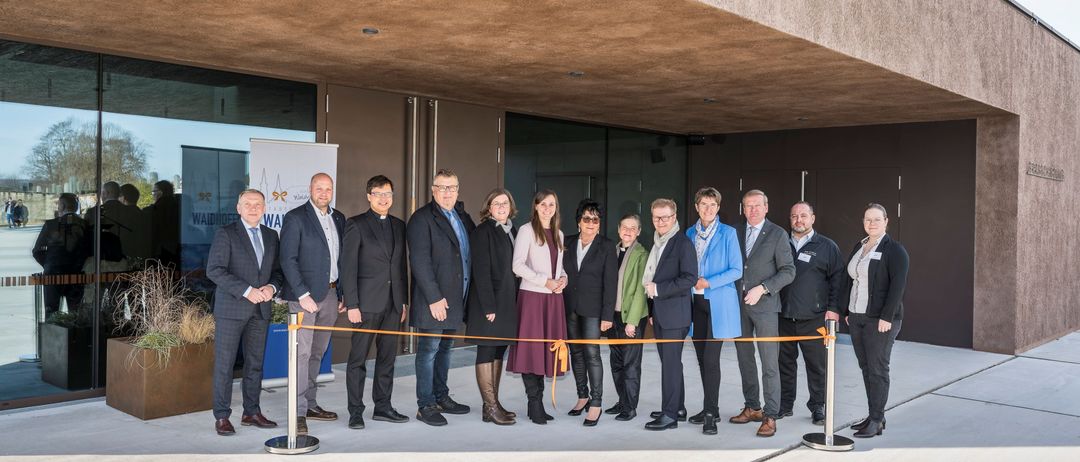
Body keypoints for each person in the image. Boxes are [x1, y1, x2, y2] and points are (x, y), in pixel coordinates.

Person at [205, 189, 283, 436]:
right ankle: (221, 416)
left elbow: (278, 272)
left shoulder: (272, 236)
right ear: (238, 208)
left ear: (264, 208)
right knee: (225, 365)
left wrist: (272, 287)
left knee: (255, 365)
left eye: (258, 204)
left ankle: (251, 412)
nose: (253, 207)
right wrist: (247, 290)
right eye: (247, 203)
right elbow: (214, 270)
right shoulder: (226, 234)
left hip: (260, 310)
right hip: (231, 309)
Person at [830, 203, 909, 438]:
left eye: (876, 219)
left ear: (886, 221)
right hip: (857, 317)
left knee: (877, 369)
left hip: (880, 320)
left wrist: (886, 316)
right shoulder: (860, 245)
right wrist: (846, 310)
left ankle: (876, 420)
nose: (871, 224)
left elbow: (898, 286)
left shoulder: (895, 250)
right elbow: (850, 279)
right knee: (866, 368)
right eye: (867, 219)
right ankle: (875, 414)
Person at [407, 169, 476, 426]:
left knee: (446, 349)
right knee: (428, 351)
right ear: (433, 190)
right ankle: (425, 405)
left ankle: (441, 396)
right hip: (434, 301)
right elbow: (420, 261)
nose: (448, 192)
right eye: (442, 187)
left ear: (458, 190)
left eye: (452, 187)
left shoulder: (460, 216)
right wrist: (434, 298)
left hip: (457, 298)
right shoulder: (421, 219)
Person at [279, 172, 346, 435]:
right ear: (310, 189)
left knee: (318, 352)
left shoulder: (338, 218)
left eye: (328, 188)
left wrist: (342, 294)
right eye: (319, 188)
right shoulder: (295, 218)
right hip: (303, 298)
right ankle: (297, 413)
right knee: (301, 354)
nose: (323, 193)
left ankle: (310, 404)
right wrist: (302, 294)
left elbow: (341, 260)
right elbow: (287, 260)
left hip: (330, 296)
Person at [341, 175, 410, 430]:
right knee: (358, 360)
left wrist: (403, 302)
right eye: (379, 193)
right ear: (369, 196)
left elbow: (401, 266)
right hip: (365, 305)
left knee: (387, 359)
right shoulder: (356, 224)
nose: (384, 198)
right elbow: (347, 268)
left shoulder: (399, 225)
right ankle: (355, 412)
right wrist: (352, 304)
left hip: (393, 305)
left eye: (388, 193)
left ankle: (383, 407)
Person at [731, 189, 795, 438]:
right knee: (745, 359)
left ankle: (771, 415)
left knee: (769, 363)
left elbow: (789, 271)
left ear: (766, 207)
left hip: (766, 307)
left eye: (757, 205)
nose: (753, 210)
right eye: (748, 206)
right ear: (743, 208)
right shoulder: (734, 232)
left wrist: (763, 288)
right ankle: (753, 407)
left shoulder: (778, 234)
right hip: (738, 306)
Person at [779, 201, 844, 425]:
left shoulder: (827, 246)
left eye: (803, 215)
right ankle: (785, 404)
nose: (799, 220)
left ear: (813, 218)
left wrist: (834, 309)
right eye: (794, 216)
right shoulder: (780, 243)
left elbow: (838, 280)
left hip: (814, 317)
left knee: (817, 366)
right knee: (784, 364)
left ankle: (818, 406)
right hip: (782, 316)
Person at [506, 190, 567, 425]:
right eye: (543, 204)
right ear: (536, 206)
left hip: (553, 300)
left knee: (546, 351)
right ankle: (534, 403)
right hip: (532, 298)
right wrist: (544, 281)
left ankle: (538, 403)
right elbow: (517, 265)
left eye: (552, 204)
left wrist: (563, 279)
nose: (547, 208)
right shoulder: (526, 231)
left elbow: (559, 267)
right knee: (532, 351)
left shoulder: (559, 233)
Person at [685, 187, 743, 435]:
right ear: (696, 207)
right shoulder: (689, 233)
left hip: (717, 303)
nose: (708, 209)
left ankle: (710, 413)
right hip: (695, 303)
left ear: (718, 208)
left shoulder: (728, 233)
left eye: (713, 205)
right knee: (700, 358)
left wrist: (708, 282)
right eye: (703, 204)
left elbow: (736, 270)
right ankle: (711, 406)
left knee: (711, 359)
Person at [464, 188, 520, 426]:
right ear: (488, 207)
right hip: (488, 303)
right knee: (486, 350)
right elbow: (482, 271)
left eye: (505, 203)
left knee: (498, 350)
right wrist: (489, 306)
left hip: (507, 302)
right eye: (496, 203)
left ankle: (494, 404)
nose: (501, 207)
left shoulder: (511, 230)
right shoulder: (482, 231)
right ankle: (489, 406)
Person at [642, 198, 697, 431]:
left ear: (674, 217)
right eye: (656, 217)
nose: (661, 221)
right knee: (671, 363)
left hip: (676, 314)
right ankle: (679, 407)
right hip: (662, 313)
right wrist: (653, 309)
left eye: (665, 217)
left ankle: (670, 415)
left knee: (670, 366)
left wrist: (659, 290)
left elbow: (689, 278)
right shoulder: (658, 242)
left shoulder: (682, 243)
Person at [562, 199, 617, 426]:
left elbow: (611, 283)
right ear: (578, 223)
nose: (591, 223)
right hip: (570, 306)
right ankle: (582, 395)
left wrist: (607, 315)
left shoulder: (606, 246)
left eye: (595, 219)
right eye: (587, 219)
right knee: (575, 352)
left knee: (592, 354)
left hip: (594, 310)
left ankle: (596, 403)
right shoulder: (566, 242)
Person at [603, 214, 649, 422]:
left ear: (639, 231)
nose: (628, 231)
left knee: (631, 364)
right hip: (613, 316)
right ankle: (622, 400)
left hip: (632, 316)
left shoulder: (641, 254)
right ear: (618, 229)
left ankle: (630, 407)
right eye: (625, 227)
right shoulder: (612, 251)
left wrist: (632, 321)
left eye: (633, 228)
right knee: (616, 362)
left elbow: (641, 289)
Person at [32, 193, 90, 318]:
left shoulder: (50, 225)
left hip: (53, 273)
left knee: (51, 314)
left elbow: (37, 251)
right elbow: (89, 250)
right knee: (76, 314)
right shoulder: (85, 225)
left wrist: (49, 263)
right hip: (77, 274)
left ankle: (53, 337)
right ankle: (75, 337)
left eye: (58, 204)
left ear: (62, 206)